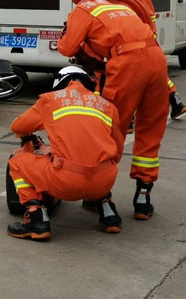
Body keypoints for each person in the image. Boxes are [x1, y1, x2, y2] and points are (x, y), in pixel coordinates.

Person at [58, 0, 169, 230]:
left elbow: (67, 48)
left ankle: (100, 195)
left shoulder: (81, 11)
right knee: (151, 127)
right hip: (157, 60)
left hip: (127, 64)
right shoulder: (121, 8)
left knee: (109, 128)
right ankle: (143, 197)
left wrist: (67, 36)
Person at [7, 66, 124, 240]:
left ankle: (36, 217)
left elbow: (18, 127)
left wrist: (27, 136)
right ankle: (108, 212)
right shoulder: (108, 106)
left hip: (66, 182)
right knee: (99, 159)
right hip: (104, 181)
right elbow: (117, 153)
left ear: (60, 82)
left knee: (17, 161)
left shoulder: (51, 100)